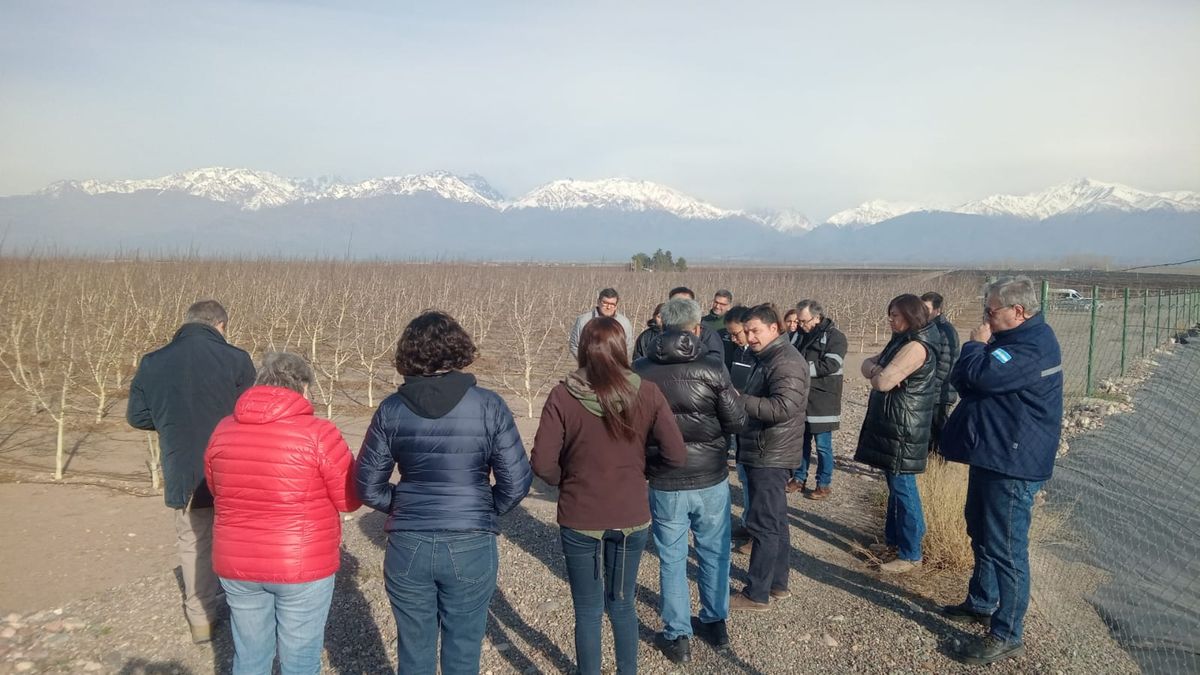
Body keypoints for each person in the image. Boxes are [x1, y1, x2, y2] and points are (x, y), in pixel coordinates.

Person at [355, 311, 532, 675]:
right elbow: (516, 482)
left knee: (414, 652)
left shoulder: (391, 409)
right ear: (458, 349)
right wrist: (481, 508)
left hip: (408, 543)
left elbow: (367, 486)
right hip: (470, 540)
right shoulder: (488, 406)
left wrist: (403, 505)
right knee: (463, 652)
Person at [531, 317, 687, 675]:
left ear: (583, 348)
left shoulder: (563, 394)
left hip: (580, 513)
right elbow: (676, 455)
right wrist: (641, 474)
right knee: (622, 604)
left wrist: (566, 479)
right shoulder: (647, 392)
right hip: (630, 514)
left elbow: (542, 463)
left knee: (587, 610)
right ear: (623, 349)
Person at [205, 352, 361, 674]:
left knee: (249, 656)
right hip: (301, 564)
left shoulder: (223, 429)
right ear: (302, 387)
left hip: (237, 561)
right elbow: (349, 499)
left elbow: (215, 487)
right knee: (300, 659)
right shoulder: (320, 432)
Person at [940, 276, 1064, 666]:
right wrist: (977, 359)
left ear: (1019, 311)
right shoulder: (1010, 342)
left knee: (1007, 548)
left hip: (1013, 463)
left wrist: (975, 346)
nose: (986, 317)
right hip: (993, 454)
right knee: (979, 529)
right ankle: (981, 600)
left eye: (991, 311)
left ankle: (1007, 632)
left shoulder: (1033, 347)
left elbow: (981, 376)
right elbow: (964, 379)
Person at [127, 299, 256, 643]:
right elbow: (252, 413)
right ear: (221, 326)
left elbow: (137, 417)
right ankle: (249, 612)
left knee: (194, 543)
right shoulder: (236, 359)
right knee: (241, 538)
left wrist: (172, 423)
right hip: (234, 469)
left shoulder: (153, 362)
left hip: (184, 471)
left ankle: (201, 620)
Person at [633, 298, 747, 662]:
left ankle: (678, 635)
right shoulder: (713, 368)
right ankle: (714, 623)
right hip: (710, 476)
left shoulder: (640, 370)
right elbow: (737, 420)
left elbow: (632, 428)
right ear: (698, 328)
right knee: (714, 551)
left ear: (661, 326)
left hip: (665, 478)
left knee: (672, 556)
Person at [730, 304, 809, 611]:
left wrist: (740, 400)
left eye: (755, 331)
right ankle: (777, 584)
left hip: (770, 452)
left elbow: (781, 408)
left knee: (763, 523)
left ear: (774, 328)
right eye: (746, 331)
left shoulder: (786, 361)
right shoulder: (764, 357)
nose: (749, 337)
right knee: (775, 520)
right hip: (765, 448)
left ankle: (756, 593)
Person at [854, 294, 939, 574]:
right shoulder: (900, 340)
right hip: (896, 425)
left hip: (905, 428)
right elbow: (867, 365)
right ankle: (894, 541)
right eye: (889, 314)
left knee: (904, 489)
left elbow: (882, 382)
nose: (890, 320)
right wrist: (879, 370)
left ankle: (911, 552)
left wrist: (879, 373)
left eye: (896, 315)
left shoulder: (916, 346)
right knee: (894, 486)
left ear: (911, 316)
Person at [787, 300, 848, 499]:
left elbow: (830, 364)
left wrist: (801, 369)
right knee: (800, 442)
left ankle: (823, 483)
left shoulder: (835, 337)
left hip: (823, 399)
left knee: (823, 446)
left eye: (804, 321)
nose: (801, 325)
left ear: (817, 317)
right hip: (800, 397)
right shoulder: (797, 335)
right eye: (799, 321)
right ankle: (799, 478)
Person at [921, 291, 962, 453]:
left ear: (937, 310)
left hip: (939, 394)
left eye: (926, 308)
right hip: (930, 391)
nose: (923, 312)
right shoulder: (929, 328)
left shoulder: (944, 331)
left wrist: (926, 386)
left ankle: (937, 470)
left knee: (937, 435)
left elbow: (944, 366)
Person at [569, 288, 634, 360]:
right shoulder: (583, 320)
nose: (608, 307)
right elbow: (574, 345)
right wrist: (587, 363)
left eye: (612, 304)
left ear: (616, 306)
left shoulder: (624, 323)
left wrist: (619, 366)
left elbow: (628, 347)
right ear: (598, 302)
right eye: (605, 303)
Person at [667, 287, 726, 363]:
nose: (681, 308)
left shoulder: (708, 334)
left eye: (686, 304)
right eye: (677, 304)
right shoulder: (661, 331)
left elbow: (716, 366)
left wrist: (696, 344)